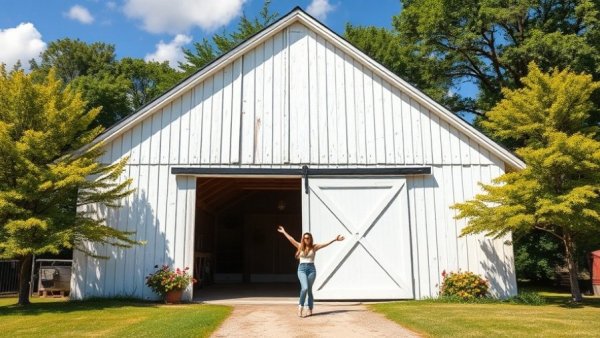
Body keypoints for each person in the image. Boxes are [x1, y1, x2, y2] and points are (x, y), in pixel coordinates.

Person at [277, 225, 344, 317]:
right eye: (304, 238)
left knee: (309, 290)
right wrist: (284, 231)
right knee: (304, 288)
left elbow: (325, 244)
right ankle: (300, 307)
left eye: (308, 238)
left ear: (310, 239)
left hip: (311, 269)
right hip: (301, 269)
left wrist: (335, 239)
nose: (306, 240)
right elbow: (291, 239)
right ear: (303, 239)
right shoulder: (300, 246)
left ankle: (309, 308)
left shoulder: (314, 247)